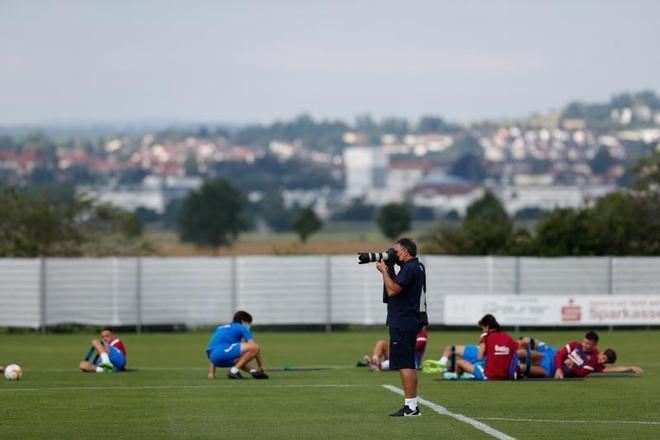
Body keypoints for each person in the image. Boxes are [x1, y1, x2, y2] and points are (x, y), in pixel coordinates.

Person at [377, 237, 427, 417]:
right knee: (407, 362)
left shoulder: (410, 267)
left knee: (405, 363)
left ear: (405, 251)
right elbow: (398, 287)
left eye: (395, 251)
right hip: (407, 321)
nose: (393, 254)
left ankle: (412, 407)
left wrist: (383, 270)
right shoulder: (416, 266)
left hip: (403, 322)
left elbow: (392, 290)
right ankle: (411, 406)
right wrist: (389, 267)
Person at [517, 333, 641, 378]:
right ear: (600, 350)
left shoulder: (594, 365)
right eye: (603, 356)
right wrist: (562, 367)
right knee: (524, 342)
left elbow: (613, 369)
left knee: (523, 367)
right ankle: (504, 348)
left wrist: (629, 368)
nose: (602, 359)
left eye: (605, 360)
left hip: (551, 368)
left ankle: (511, 363)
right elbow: (561, 353)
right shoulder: (577, 346)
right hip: (552, 354)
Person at [450, 314, 518, 381]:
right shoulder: (509, 338)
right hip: (505, 376)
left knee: (459, 362)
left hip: (489, 376)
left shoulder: (486, 337)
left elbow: (479, 357)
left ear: (487, 326)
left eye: (483, 328)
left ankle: (456, 376)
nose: (483, 331)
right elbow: (516, 352)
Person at [206, 310, 268, 380]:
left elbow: (214, 350)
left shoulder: (220, 328)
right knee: (254, 347)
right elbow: (254, 347)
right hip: (224, 354)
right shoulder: (241, 327)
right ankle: (233, 371)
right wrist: (261, 366)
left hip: (215, 359)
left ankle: (253, 371)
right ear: (243, 321)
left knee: (242, 357)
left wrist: (211, 372)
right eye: (248, 323)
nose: (249, 325)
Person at [357, 328, 428, 371]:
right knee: (381, 343)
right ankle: (375, 359)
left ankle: (379, 365)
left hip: (412, 360)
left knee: (400, 357)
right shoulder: (407, 331)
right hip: (400, 355)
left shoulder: (422, 334)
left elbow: (416, 346)